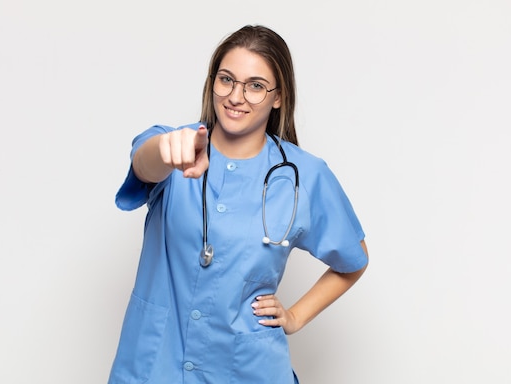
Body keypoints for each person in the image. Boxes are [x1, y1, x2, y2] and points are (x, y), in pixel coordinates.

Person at [108, 24, 369, 384]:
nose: (236, 96)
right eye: (226, 79)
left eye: (256, 86)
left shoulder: (304, 176)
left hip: (247, 371)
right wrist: (169, 152)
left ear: (279, 97)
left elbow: (353, 260)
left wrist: (295, 316)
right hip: (154, 366)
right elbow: (144, 161)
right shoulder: (175, 144)